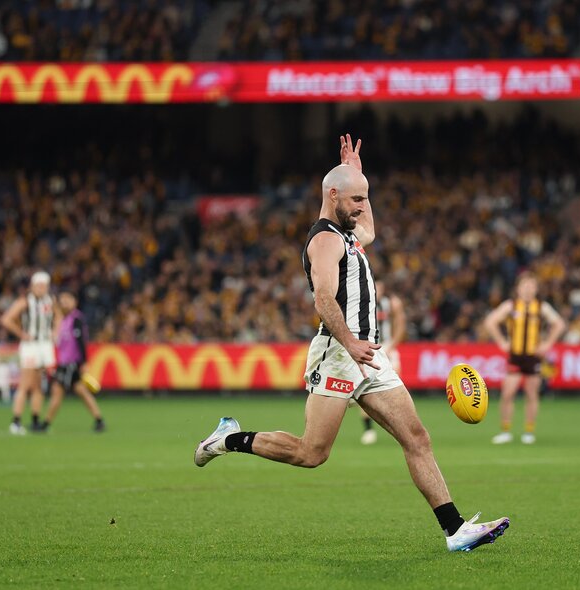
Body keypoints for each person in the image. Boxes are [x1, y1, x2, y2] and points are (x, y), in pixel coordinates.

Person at [194, 134, 509, 552]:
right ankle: (227, 439)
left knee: (417, 437)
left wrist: (359, 175)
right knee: (312, 453)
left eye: (365, 198)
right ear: (332, 195)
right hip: (340, 354)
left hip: (369, 355)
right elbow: (322, 297)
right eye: (356, 199)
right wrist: (350, 343)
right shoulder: (324, 239)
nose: (362, 207)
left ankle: (454, 531)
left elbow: (371, 230)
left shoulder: (349, 234)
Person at [484, 271, 566, 445]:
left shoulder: (541, 307)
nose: (528, 289)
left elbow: (559, 324)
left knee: (531, 394)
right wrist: (501, 342)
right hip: (515, 356)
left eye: (531, 286)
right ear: (518, 289)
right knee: (507, 393)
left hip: (533, 357)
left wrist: (547, 344)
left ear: (536, 289)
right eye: (525, 286)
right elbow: (490, 321)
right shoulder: (511, 306)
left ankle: (529, 431)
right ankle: (505, 430)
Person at [1, 271, 59, 435]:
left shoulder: (50, 300)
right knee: (25, 384)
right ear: (32, 286)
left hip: (45, 345)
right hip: (31, 346)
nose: (41, 288)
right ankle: (16, 421)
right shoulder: (25, 301)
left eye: (44, 285)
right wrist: (22, 334)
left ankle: (35, 420)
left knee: (39, 386)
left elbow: (59, 318)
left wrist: (55, 331)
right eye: (39, 285)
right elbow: (6, 319)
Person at [41, 291, 106, 433]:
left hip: (71, 363)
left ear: (74, 301)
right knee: (81, 391)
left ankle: (45, 424)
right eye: (62, 299)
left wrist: (84, 362)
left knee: (57, 391)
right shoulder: (63, 320)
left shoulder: (76, 319)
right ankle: (99, 420)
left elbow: (81, 342)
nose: (64, 302)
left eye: (67, 299)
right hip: (66, 363)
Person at [359, 279, 406, 445]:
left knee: (397, 388)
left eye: (379, 286)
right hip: (369, 347)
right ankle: (369, 430)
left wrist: (392, 346)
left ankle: (400, 427)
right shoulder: (360, 301)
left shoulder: (392, 303)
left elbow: (401, 326)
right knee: (365, 387)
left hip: (387, 347)